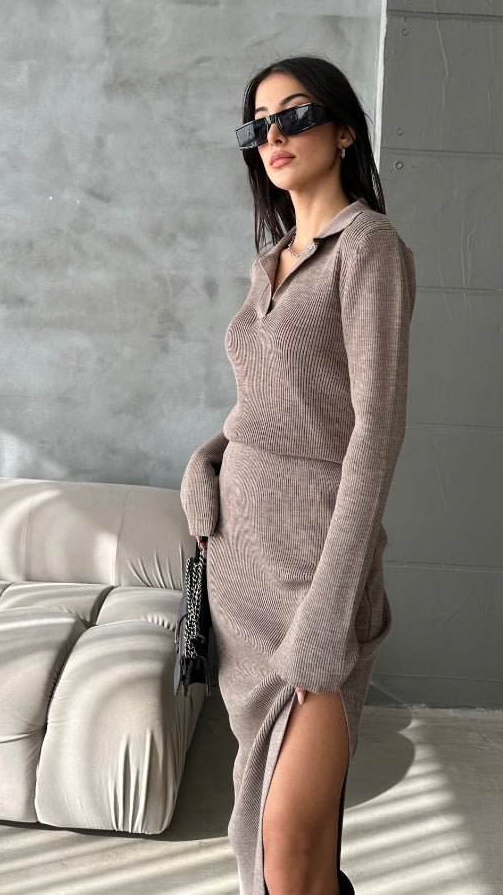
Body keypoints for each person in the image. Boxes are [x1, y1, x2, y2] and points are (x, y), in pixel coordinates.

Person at [180, 55, 416, 895]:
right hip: (238, 571)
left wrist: (328, 609)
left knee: (285, 835)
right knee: (283, 843)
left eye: (295, 114)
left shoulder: (369, 248)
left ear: (343, 130)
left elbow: (375, 430)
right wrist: (209, 455)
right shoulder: (272, 259)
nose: (272, 135)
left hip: (313, 569)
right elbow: (271, 399)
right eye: (257, 124)